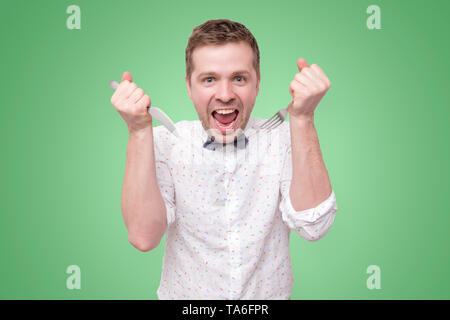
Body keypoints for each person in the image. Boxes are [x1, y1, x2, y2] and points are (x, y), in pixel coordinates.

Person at [110, 19, 338, 300]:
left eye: (239, 78)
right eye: (209, 79)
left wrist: (303, 118)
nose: (225, 94)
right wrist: (137, 131)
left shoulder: (283, 139)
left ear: (257, 84)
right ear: (189, 87)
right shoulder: (164, 143)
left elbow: (314, 226)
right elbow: (144, 237)